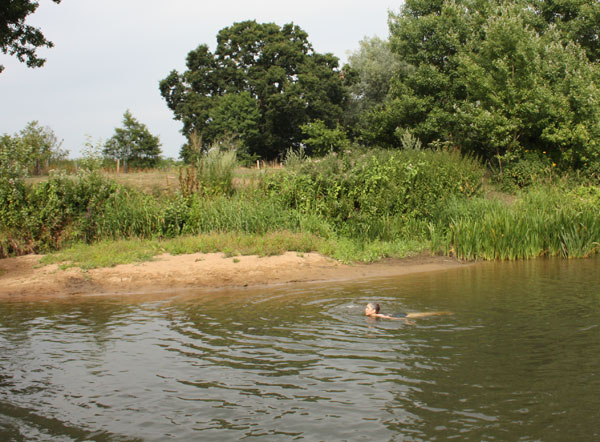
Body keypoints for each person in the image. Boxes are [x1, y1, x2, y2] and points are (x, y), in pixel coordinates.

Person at [365, 302, 451, 322]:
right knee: (424, 314)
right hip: (400, 314)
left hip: (401, 316)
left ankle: (444, 312)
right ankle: (442, 312)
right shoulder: (375, 316)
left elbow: (390, 318)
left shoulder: (377, 316)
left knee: (424, 314)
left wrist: (405, 320)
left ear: (373, 311)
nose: (365, 309)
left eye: (367, 308)